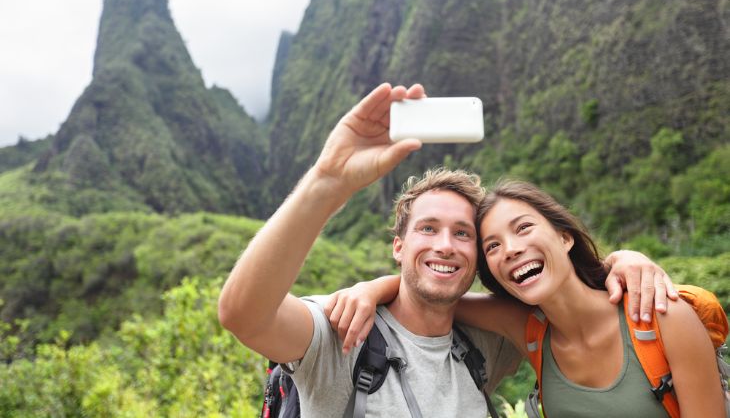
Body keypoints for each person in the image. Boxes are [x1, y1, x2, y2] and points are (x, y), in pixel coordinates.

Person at [218, 83, 675, 417]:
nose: (445, 245)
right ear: (398, 246)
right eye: (428, 229)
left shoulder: (490, 339)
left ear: (479, 257)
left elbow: (571, 302)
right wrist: (327, 182)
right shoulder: (344, 331)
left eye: (463, 234)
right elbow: (244, 314)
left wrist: (622, 261)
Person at [328, 179, 724, 417]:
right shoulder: (528, 329)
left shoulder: (660, 317)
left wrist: (626, 258)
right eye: (493, 245)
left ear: (564, 237)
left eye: (524, 229)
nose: (512, 249)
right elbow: (430, 292)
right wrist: (370, 288)